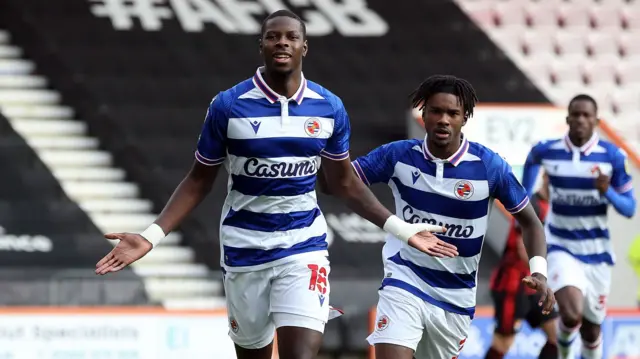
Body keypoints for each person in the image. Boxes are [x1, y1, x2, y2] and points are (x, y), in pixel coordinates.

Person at [94, 10, 458, 359]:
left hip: (303, 246)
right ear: (262, 46)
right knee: (253, 352)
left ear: (304, 47)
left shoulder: (328, 108)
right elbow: (198, 180)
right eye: (273, 37)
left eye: (291, 37)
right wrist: (151, 236)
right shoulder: (228, 106)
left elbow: (344, 183)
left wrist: (400, 229)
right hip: (243, 251)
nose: (281, 43)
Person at [322, 75, 555, 359]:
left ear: (464, 118)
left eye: (452, 113)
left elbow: (530, 222)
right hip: (404, 281)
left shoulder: (488, 167)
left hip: (454, 299)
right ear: (424, 114)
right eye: (436, 111)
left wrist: (539, 271)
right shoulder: (398, 156)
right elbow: (339, 182)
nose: (443, 119)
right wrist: (328, 149)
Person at [522, 94, 637, 359]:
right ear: (567, 119)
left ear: (596, 121)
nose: (580, 120)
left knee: (591, 330)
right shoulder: (548, 150)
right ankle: (565, 355)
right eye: (576, 114)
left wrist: (607, 192)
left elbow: (629, 209)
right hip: (561, 245)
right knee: (571, 314)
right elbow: (530, 165)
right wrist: (525, 201)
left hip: (597, 252)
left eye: (587, 116)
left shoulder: (612, 156)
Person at [485, 171, 558, 359]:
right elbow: (521, 245)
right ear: (545, 177)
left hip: (533, 285)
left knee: (556, 334)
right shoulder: (532, 204)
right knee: (503, 342)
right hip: (513, 283)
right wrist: (547, 270)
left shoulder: (552, 208)